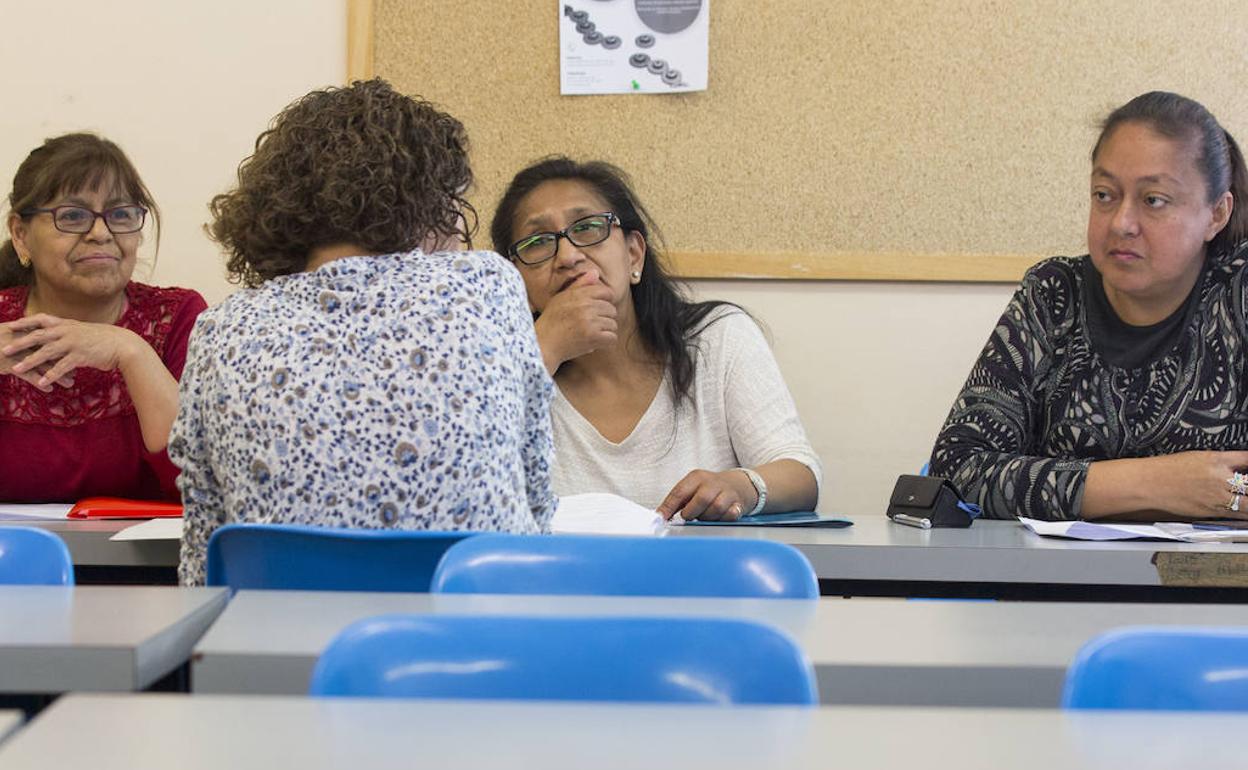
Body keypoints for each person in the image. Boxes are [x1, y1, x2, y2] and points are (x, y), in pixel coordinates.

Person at [172, 79, 555, 585]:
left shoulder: (221, 330)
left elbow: (205, 553)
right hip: (475, 641)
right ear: (430, 200)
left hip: (279, 648)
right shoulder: (486, 284)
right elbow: (537, 498)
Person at [930, 91, 1248, 522]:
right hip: (1059, 580)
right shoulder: (1053, 293)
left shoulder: (1238, 295)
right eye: (1104, 195)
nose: (1121, 222)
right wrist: (1156, 482)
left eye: (1153, 200)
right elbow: (957, 469)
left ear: (1217, 214)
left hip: (1218, 583)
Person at [490, 157, 821, 521]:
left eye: (587, 228)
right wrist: (542, 351)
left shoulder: (718, 336)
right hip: (558, 579)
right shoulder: (497, 371)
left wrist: (737, 486)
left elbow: (800, 475)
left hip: (702, 576)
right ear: (513, 279)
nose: (568, 256)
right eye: (537, 242)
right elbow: (466, 494)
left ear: (634, 253)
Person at [0, 133, 206, 501]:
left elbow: (200, 484)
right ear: (20, 234)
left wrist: (132, 352)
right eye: (73, 216)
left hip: (150, 560)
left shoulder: (177, 318)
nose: (101, 233)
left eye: (120, 214)